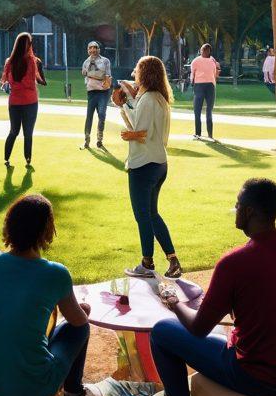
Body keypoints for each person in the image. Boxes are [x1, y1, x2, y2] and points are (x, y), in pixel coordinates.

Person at [146, 178, 276, 396]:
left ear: (248, 212)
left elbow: (198, 328)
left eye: (237, 205)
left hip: (259, 379)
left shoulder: (234, 263)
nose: (235, 210)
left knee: (162, 331)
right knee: (222, 333)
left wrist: (173, 302)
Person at [0, 193, 102, 396]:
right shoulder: (55, 273)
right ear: (46, 230)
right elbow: (78, 321)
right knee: (81, 327)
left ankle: (69, 388)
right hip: (32, 390)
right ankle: (73, 392)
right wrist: (82, 310)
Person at [117, 55, 183, 280]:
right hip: (159, 163)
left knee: (142, 216)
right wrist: (127, 104)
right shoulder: (159, 98)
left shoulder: (148, 99)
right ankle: (172, 259)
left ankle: (147, 263)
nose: (134, 74)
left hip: (144, 164)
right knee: (152, 214)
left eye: (137, 70)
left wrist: (124, 103)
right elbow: (140, 126)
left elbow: (139, 131)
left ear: (145, 73)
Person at [1, 32, 46, 170]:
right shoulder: (33, 61)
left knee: (13, 131)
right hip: (30, 101)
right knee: (28, 133)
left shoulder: (9, 62)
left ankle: (7, 158)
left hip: (14, 101)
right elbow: (38, 80)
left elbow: (5, 81)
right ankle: (27, 160)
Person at [81, 40, 112, 149]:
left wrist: (106, 80)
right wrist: (99, 76)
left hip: (103, 92)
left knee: (102, 115)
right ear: (88, 50)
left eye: (95, 48)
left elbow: (108, 76)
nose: (93, 50)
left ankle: (99, 139)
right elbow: (84, 73)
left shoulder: (105, 61)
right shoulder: (85, 62)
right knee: (89, 116)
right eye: (91, 48)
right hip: (91, 92)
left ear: (99, 49)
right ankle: (87, 139)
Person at [190, 43, 220, 140]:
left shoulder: (200, 61)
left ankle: (205, 134)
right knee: (203, 110)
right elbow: (216, 73)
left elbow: (192, 75)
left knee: (203, 110)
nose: (203, 52)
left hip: (203, 85)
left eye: (205, 50)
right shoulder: (212, 61)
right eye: (203, 50)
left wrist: (192, 83)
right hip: (206, 85)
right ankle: (203, 134)